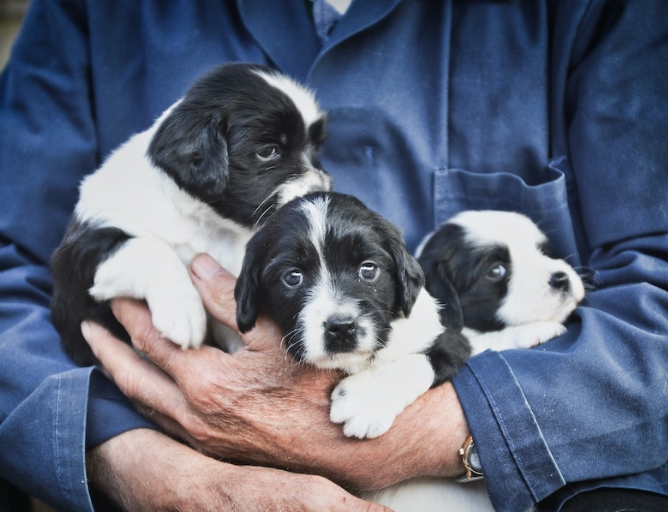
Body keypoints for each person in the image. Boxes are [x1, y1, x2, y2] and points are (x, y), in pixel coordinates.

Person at [1, 1, 667, 510]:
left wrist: (437, 436)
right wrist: (144, 467)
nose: (313, 180)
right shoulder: (95, 13)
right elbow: (10, 270)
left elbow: (657, 285)